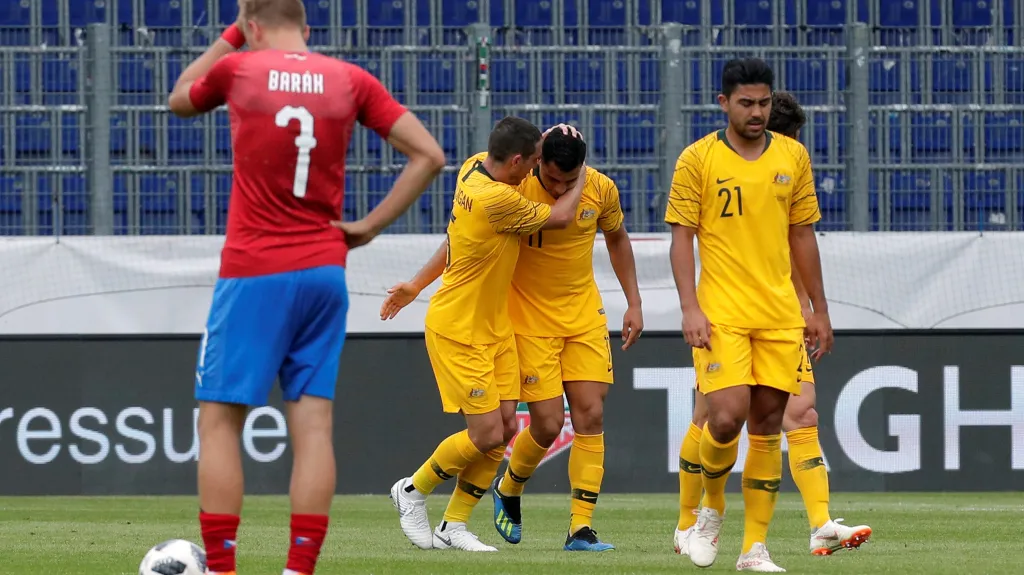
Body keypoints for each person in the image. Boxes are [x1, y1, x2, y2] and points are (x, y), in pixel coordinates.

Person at [167, 1, 446, 573]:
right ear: (307, 26)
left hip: (254, 268)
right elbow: (430, 156)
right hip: (325, 269)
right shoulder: (350, 79)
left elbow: (180, 96)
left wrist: (228, 38)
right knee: (313, 423)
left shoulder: (238, 70)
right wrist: (368, 227)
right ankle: (299, 570)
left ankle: (221, 568)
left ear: (250, 24)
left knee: (219, 419)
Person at [380, 127, 644, 552]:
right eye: (553, 179)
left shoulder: (598, 189)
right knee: (539, 424)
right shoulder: (509, 188)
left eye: (568, 179)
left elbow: (616, 238)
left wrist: (634, 302)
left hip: (576, 316)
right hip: (517, 318)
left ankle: (577, 529)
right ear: (532, 160)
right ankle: (459, 489)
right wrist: (578, 183)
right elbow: (467, 239)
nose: (559, 188)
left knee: (586, 415)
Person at [673, 90, 872, 560]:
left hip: (777, 317)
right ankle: (690, 522)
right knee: (715, 416)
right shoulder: (726, 169)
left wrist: (807, 308)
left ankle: (815, 524)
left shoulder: (787, 172)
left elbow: (795, 247)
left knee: (799, 413)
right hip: (725, 314)